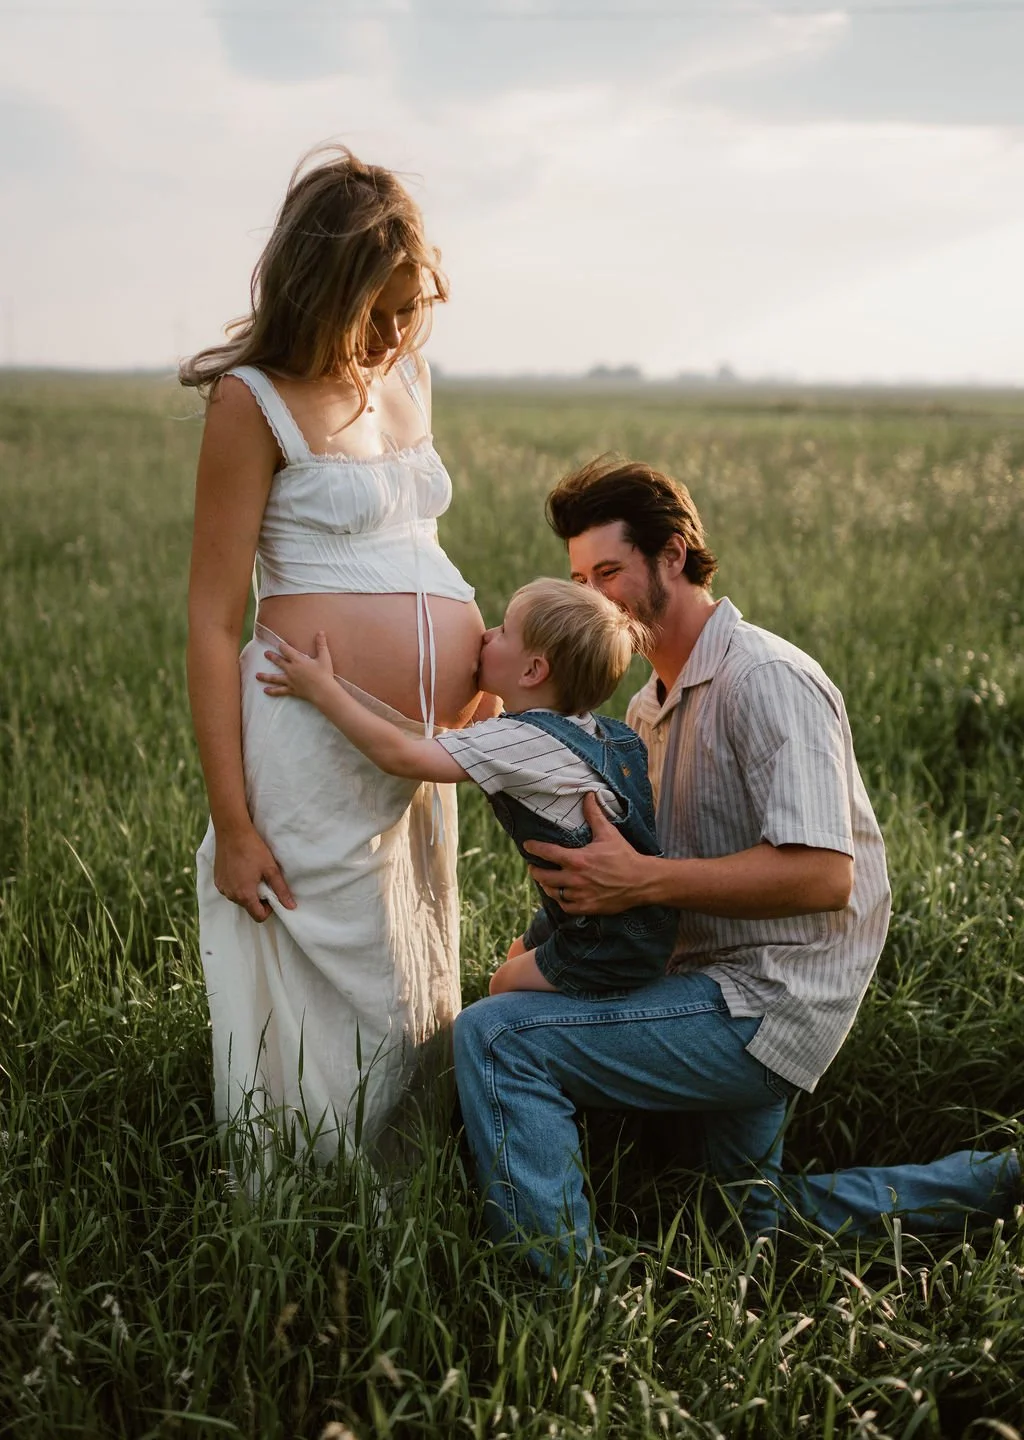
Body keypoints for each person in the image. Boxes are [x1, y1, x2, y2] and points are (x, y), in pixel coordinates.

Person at [453, 457, 1019, 1275]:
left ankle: (559, 1306)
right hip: (696, 980)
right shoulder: (645, 707)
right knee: (737, 1226)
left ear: (673, 556)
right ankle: (1000, 1183)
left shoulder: (769, 678)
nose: (590, 600)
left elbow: (825, 876)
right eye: (578, 578)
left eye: (607, 573)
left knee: (500, 1037)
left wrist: (642, 883)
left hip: (768, 1003)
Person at [182, 146, 487, 1169]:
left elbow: (420, 552)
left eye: (411, 308)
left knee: (410, 972)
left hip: (419, 754)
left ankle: (406, 1202)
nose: (398, 332)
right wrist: (232, 824)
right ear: (324, 286)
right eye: (380, 309)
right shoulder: (251, 403)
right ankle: (309, 1208)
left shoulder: (406, 376)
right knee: (327, 981)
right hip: (307, 743)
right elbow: (212, 620)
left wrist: (473, 680)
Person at [257, 577, 679, 1000]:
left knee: (503, 986)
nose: (486, 635)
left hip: (607, 939)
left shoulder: (519, 742)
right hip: (626, 921)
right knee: (519, 954)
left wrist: (323, 690)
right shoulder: (605, 735)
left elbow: (401, 757)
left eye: (503, 631)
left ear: (533, 671)